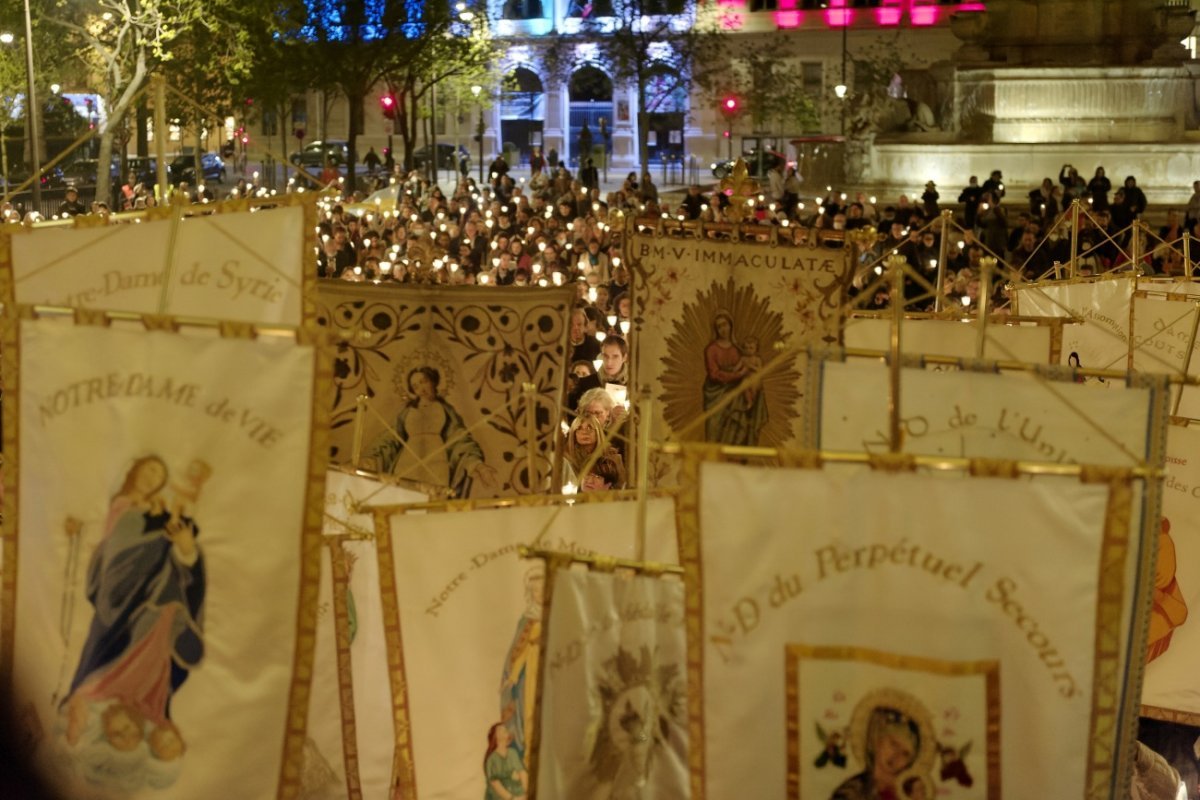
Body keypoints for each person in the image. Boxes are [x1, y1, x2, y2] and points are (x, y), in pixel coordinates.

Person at [62, 456, 206, 750]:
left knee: (153, 647)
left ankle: (141, 712)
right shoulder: (125, 507)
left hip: (154, 601)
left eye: (160, 475)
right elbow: (112, 548)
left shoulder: (155, 509)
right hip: (117, 595)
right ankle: (89, 705)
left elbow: (166, 547)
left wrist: (182, 548)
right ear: (135, 469)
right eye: (151, 469)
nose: (154, 477)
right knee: (104, 660)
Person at [370, 366, 496, 497]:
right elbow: (391, 437)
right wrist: (370, 459)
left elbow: (459, 438)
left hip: (437, 462)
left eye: (424, 381)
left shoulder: (447, 410)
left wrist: (477, 465)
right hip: (407, 462)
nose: (421, 389)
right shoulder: (406, 412)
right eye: (416, 386)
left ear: (433, 381)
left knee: (435, 500)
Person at [831, 703, 924, 800]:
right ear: (878, 740)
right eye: (894, 744)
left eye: (905, 753)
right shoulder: (852, 790)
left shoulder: (909, 793)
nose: (896, 755)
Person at [703, 311, 767, 446]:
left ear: (730, 326)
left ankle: (733, 457)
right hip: (716, 393)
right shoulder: (711, 349)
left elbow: (748, 369)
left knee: (738, 423)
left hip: (735, 392)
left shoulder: (737, 349)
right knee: (715, 428)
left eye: (725, 325)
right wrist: (738, 375)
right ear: (716, 329)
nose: (723, 329)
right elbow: (714, 374)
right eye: (719, 326)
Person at [484, 722, 527, 800]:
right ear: (495, 736)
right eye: (500, 729)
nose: (505, 729)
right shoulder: (492, 759)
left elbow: (522, 773)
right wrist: (513, 799)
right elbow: (496, 785)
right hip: (500, 797)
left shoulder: (513, 753)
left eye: (505, 729)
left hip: (516, 792)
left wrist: (526, 791)